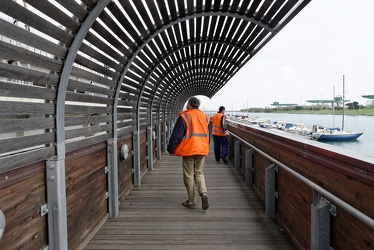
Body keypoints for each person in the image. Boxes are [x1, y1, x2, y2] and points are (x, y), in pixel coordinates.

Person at [167, 97, 210, 210]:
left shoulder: (185, 116)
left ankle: (191, 201)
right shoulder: (205, 117)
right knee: (199, 172)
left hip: (189, 149)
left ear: (190, 104)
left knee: (189, 175)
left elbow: (177, 134)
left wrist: (171, 149)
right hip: (202, 149)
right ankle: (203, 193)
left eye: (187, 103)